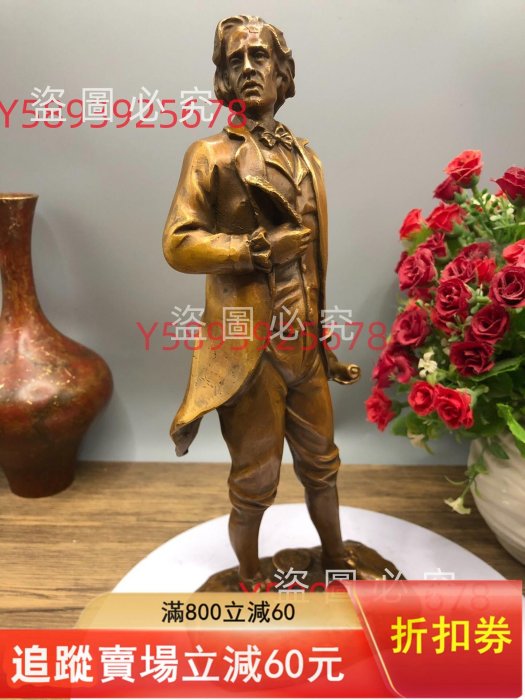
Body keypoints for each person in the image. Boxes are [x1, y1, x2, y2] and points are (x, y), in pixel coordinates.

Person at [163, 15, 360, 586]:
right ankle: (249, 580)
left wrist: (323, 344)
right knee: (254, 480)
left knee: (323, 465)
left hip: (305, 349)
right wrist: (254, 248)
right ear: (224, 80)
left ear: (283, 71)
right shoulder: (209, 155)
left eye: (260, 56)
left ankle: (338, 560)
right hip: (250, 349)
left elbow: (313, 262)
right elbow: (178, 243)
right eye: (235, 60)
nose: (248, 68)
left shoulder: (307, 156)